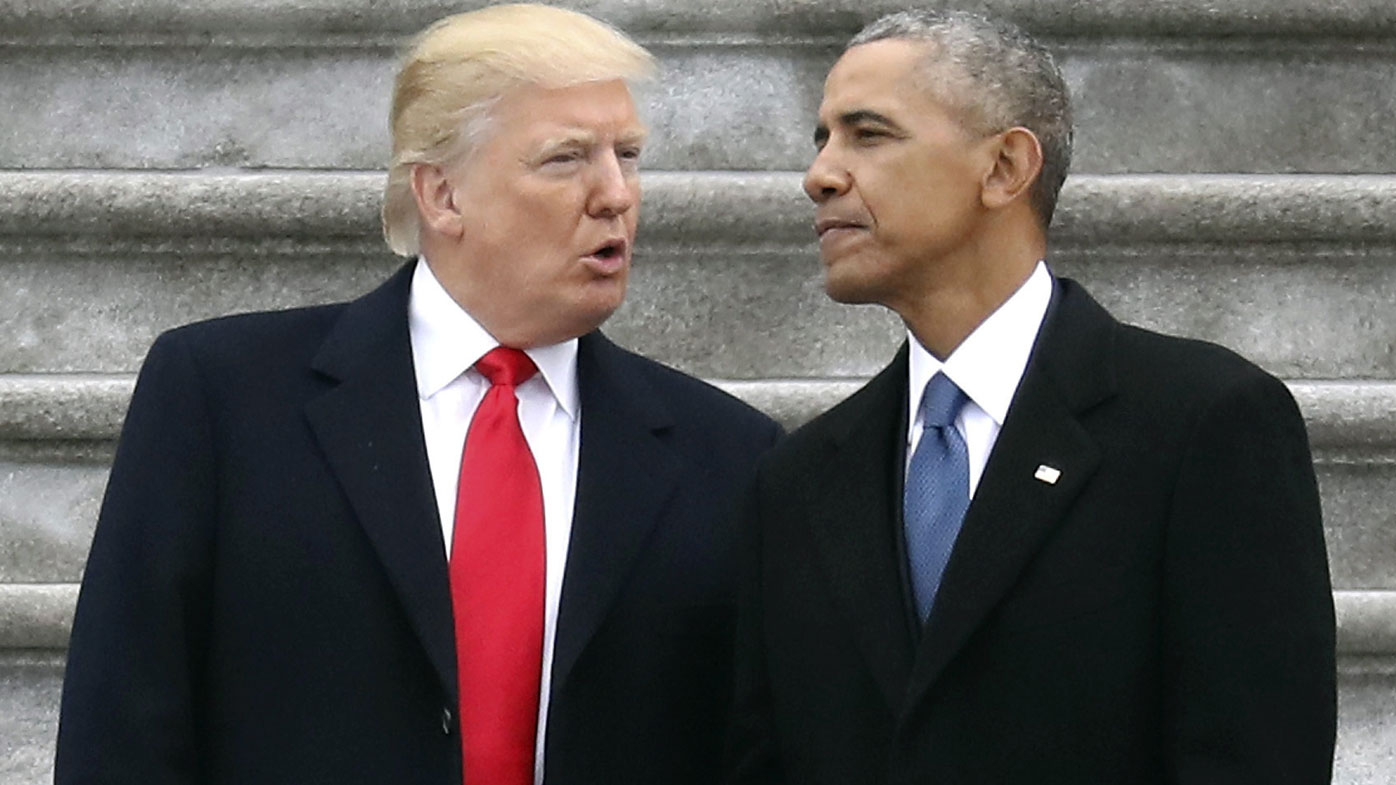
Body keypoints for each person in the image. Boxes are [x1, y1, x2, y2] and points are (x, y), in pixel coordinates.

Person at [55, 5, 781, 784]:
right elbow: (123, 723)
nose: (616, 195)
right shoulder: (223, 396)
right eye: (566, 159)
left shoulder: (730, 454)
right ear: (441, 195)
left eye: (628, 155)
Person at [725, 10, 1335, 784]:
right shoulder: (798, 479)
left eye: (868, 134)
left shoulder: (1204, 424)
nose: (820, 174)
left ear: (1006, 167)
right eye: (822, 139)